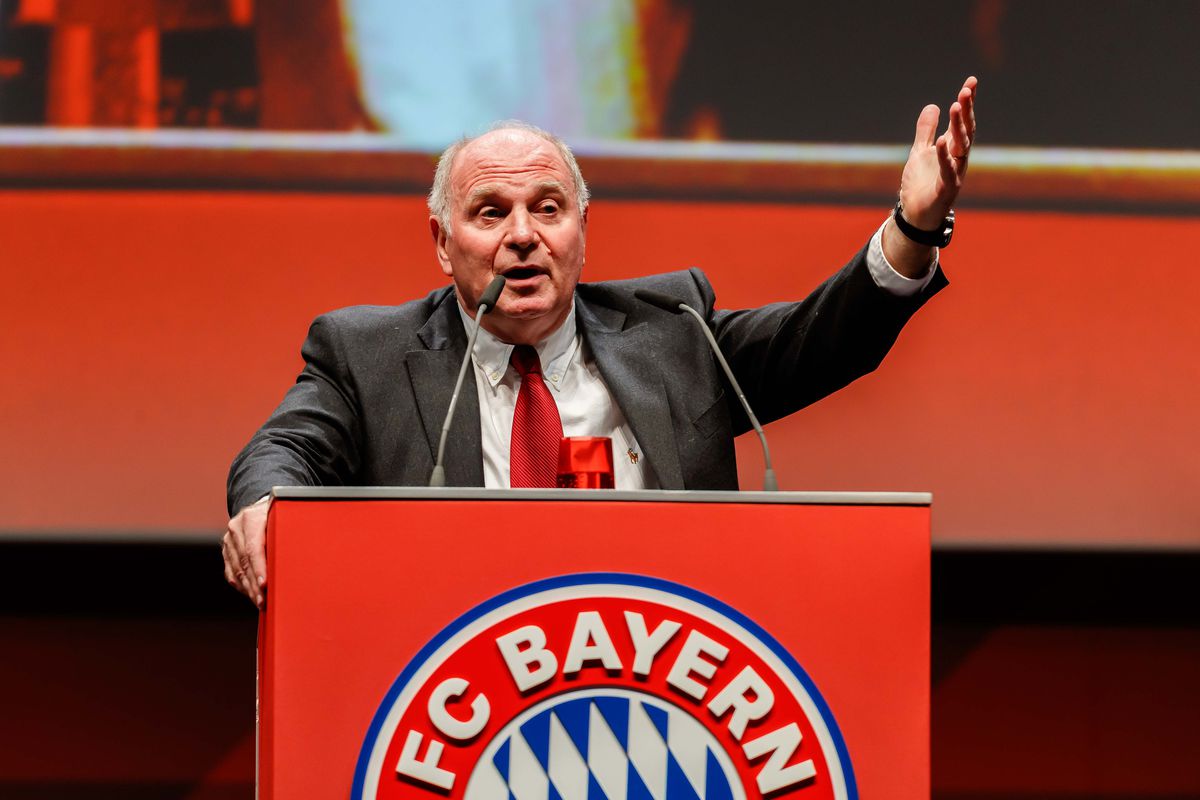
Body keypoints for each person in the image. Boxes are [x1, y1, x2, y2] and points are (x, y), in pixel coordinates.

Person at [223, 78, 978, 608]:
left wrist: (912, 229)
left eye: (548, 208)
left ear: (582, 231)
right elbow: (282, 451)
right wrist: (263, 506)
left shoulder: (674, 334)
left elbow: (823, 339)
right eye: (490, 212)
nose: (524, 236)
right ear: (443, 243)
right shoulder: (368, 356)